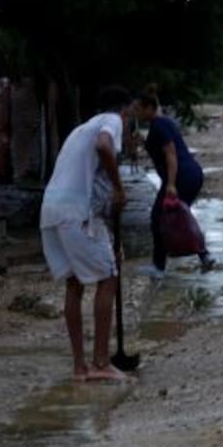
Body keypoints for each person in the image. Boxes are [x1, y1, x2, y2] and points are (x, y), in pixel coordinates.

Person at [40, 85, 131, 383]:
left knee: (75, 283)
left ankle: (80, 367)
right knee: (108, 277)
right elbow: (105, 146)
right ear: (124, 110)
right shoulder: (112, 121)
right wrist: (120, 187)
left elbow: (92, 181)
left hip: (51, 209)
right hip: (74, 212)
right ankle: (102, 362)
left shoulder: (80, 129)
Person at [135, 93, 212, 278]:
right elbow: (160, 152)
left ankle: (158, 267)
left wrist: (170, 184)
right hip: (189, 176)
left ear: (149, 107)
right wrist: (142, 143)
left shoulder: (160, 124)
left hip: (182, 178)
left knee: (159, 218)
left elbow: (170, 153)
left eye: (139, 108)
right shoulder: (160, 124)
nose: (136, 112)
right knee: (179, 218)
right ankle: (204, 256)